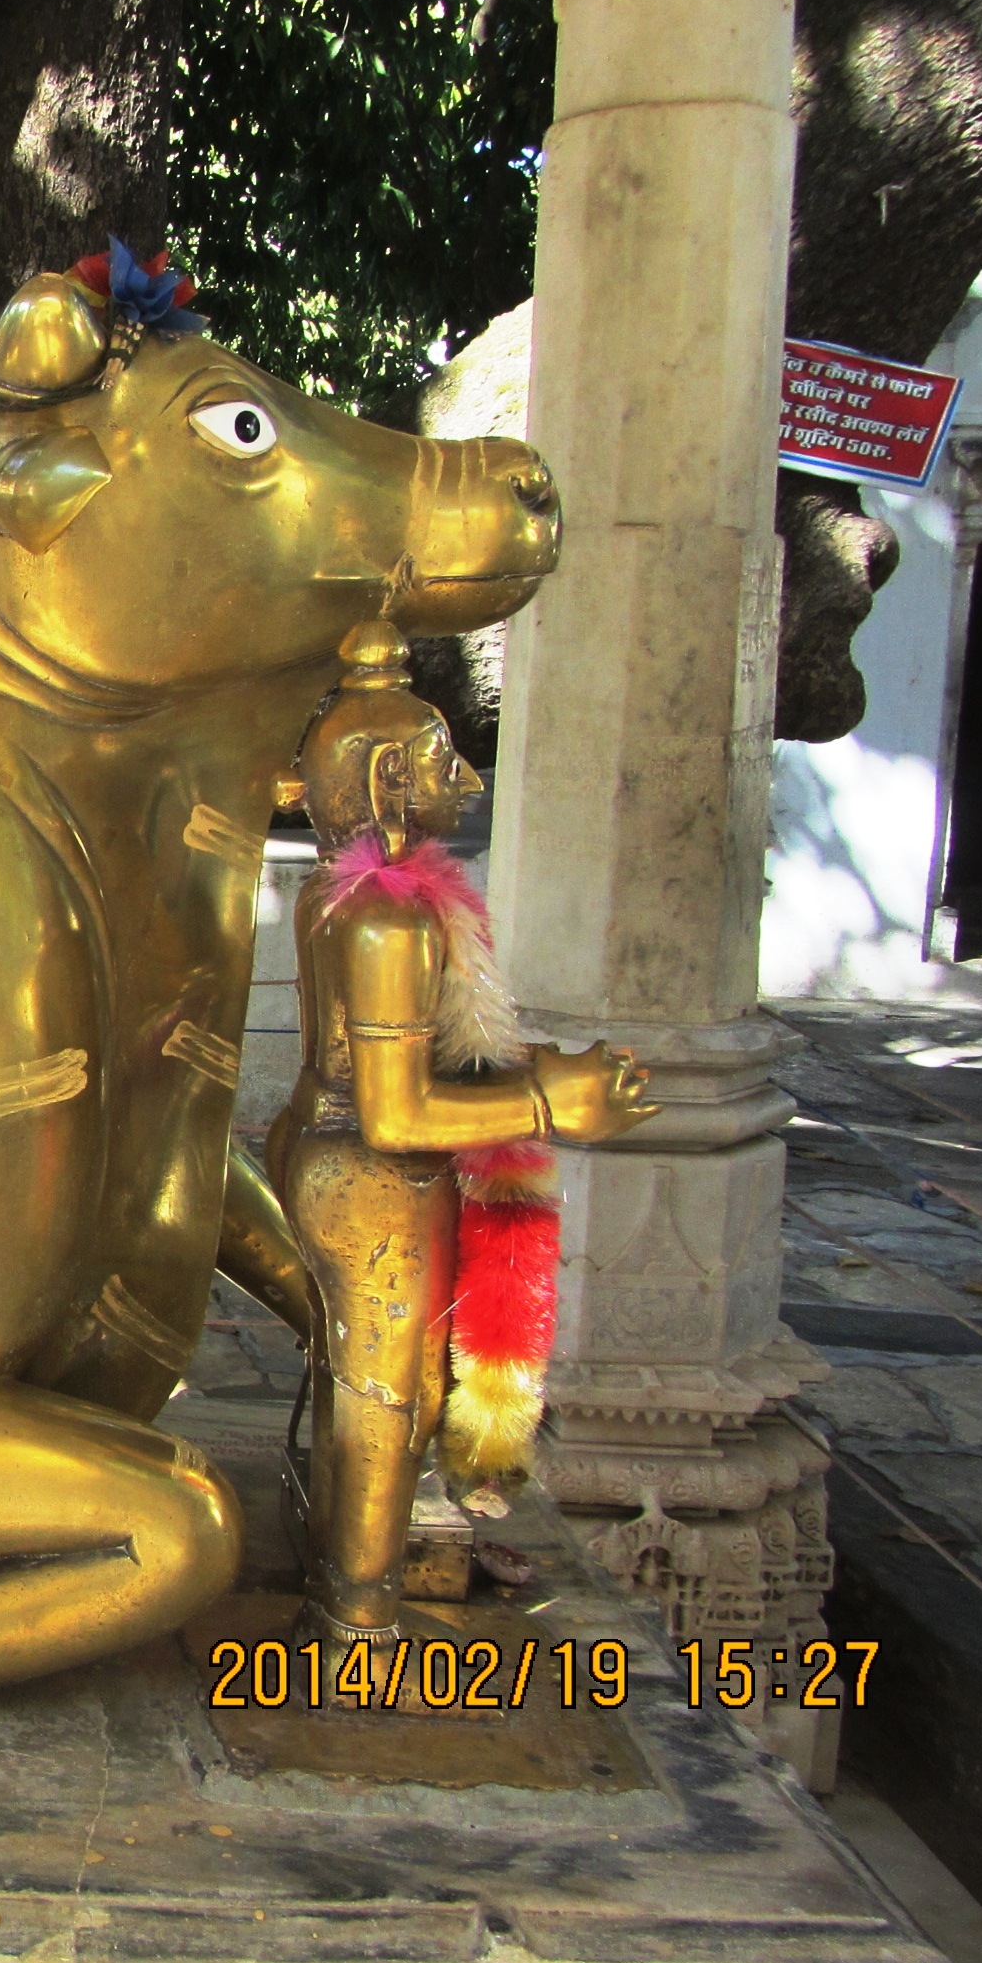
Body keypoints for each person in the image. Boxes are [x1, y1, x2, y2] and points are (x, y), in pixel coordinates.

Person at [267, 621, 654, 1663]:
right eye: (442, 759)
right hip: (373, 1169)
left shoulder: (338, 896)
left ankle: (343, 1571)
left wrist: (527, 1073)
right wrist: (550, 1103)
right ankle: (356, 1623)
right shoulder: (387, 922)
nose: (466, 780)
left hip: (329, 1146)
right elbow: (399, 1114)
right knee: (389, 1400)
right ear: (388, 778)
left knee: (370, 1380)